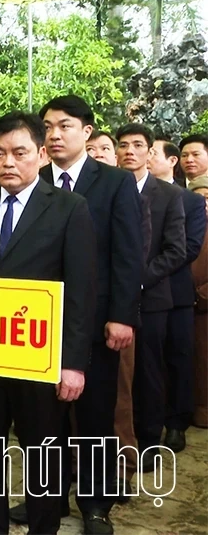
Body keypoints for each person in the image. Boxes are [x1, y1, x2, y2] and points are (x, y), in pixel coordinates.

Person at [0, 111, 97, 534]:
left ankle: (43, 526)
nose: (8, 163)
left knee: (42, 454)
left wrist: (73, 363)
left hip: (40, 360)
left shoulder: (70, 208)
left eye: (19, 153)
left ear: (42, 155)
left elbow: (81, 294)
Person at [5, 96, 144, 534]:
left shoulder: (114, 183)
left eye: (64, 125)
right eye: (47, 127)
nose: (54, 134)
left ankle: (96, 503)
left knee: (95, 415)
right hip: (37, 325)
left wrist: (122, 315)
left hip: (97, 323)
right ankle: (49, 497)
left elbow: (127, 254)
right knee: (43, 420)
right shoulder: (32, 180)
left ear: (86, 131)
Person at [115, 123, 186, 470]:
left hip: (153, 298)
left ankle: (148, 442)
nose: (130, 151)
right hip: (114, 302)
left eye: (138, 145)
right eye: (123, 144)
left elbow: (176, 250)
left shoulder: (169, 195)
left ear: (149, 151)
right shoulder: (108, 188)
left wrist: (136, 280)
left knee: (149, 373)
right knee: (118, 379)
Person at [150, 139, 207, 452]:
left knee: (178, 358)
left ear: (171, 162)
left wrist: (146, 273)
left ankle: (175, 424)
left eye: (153, 153)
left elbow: (189, 248)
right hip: (140, 295)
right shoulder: (129, 194)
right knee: (146, 363)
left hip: (175, 292)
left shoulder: (191, 201)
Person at [187, 175, 208, 429]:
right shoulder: (184, 226)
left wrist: (200, 296)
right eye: (198, 197)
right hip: (181, 308)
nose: (203, 203)